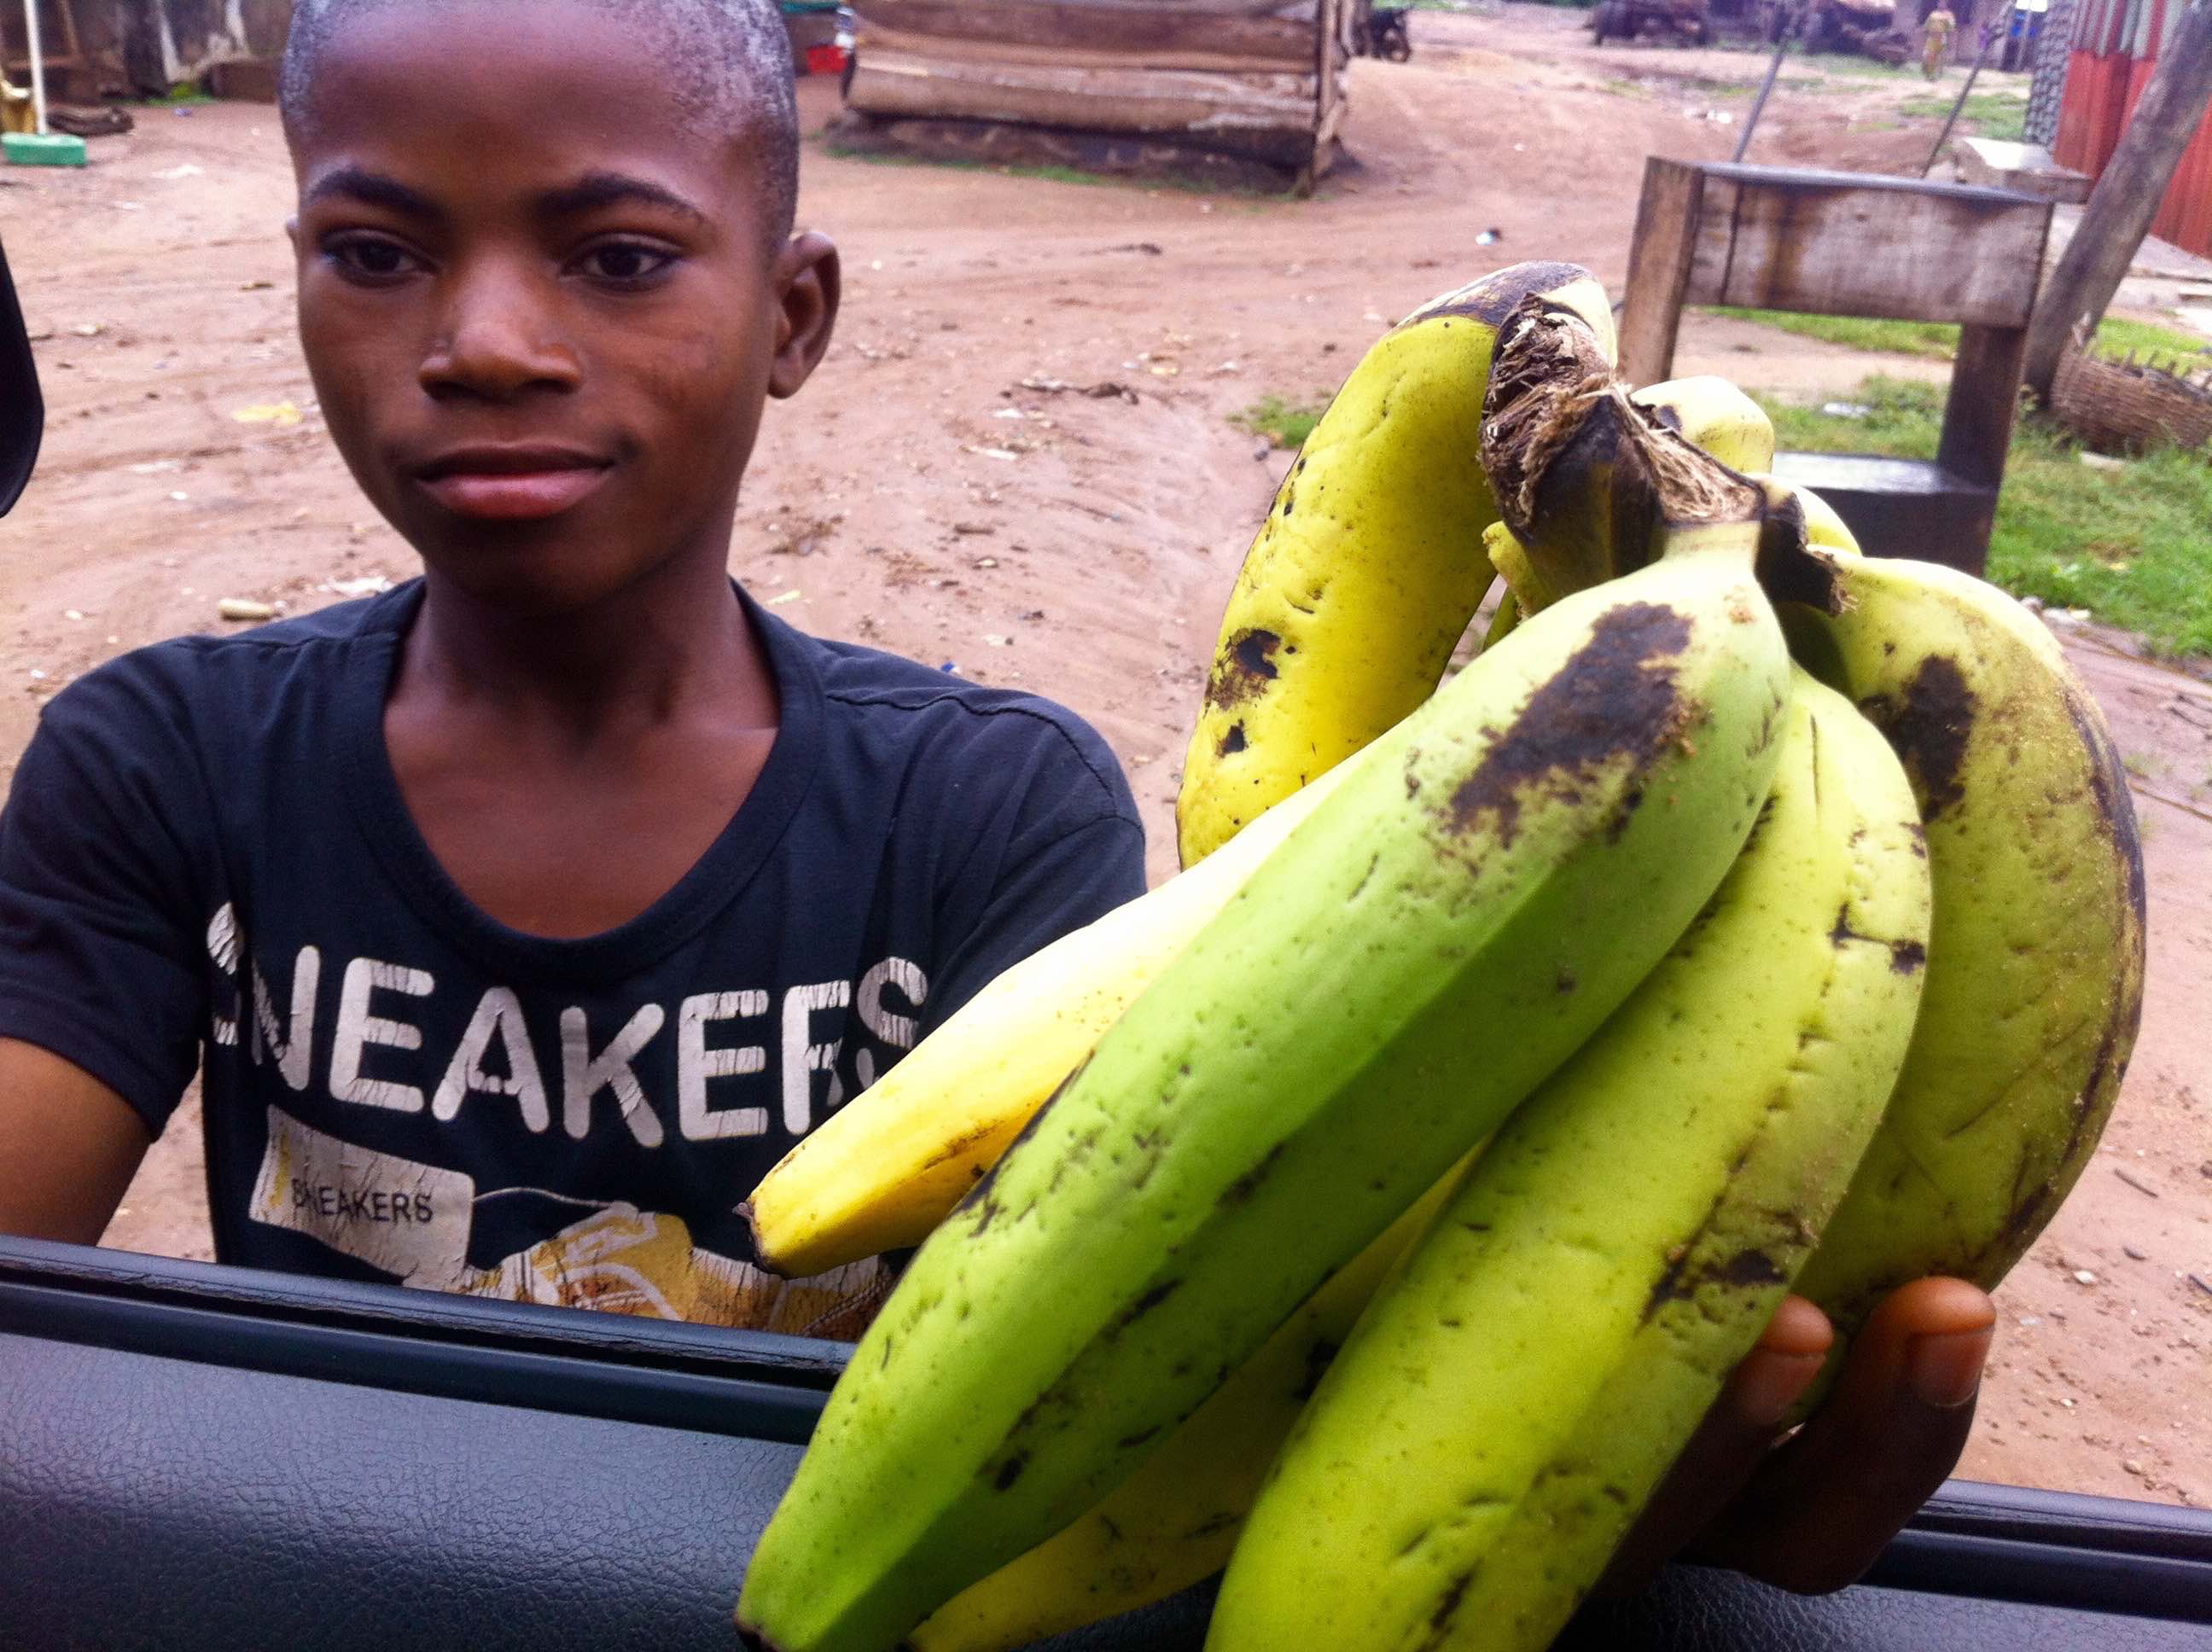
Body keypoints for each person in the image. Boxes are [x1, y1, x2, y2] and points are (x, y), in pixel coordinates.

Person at [0, 0, 1994, 1594]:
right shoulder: (160, 763)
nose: (486, 343)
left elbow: (1131, 1308)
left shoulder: (985, 817)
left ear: (794, 314)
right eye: (374, 251)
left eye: (615, 257)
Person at [1924, 3, 1959, 78]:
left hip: (1941, 36)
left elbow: (1951, 27)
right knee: (1928, 54)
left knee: (1939, 56)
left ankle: (1937, 74)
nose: (1941, 4)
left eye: (1943, 3)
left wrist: (1951, 37)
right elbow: (1927, 24)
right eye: (1940, 2)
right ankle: (1929, 73)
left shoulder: (1948, 14)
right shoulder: (1933, 14)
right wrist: (1925, 30)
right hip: (1932, 37)